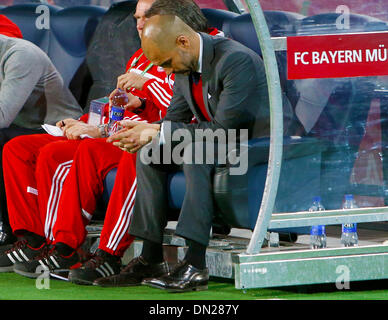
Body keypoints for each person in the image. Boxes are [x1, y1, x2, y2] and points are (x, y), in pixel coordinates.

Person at [0, 0, 220, 285]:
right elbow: (117, 106)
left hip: (166, 139)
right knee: (19, 148)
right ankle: (31, 240)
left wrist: (141, 96)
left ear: (172, 19)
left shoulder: (203, 50)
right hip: (119, 132)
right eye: (137, 17)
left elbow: (186, 111)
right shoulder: (141, 56)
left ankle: (91, 251)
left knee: (78, 153)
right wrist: (89, 123)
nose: (139, 24)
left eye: (147, 17)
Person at [94, 14, 273, 292]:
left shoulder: (236, 60)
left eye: (166, 63)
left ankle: (195, 263)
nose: (166, 71)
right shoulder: (182, 65)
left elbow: (225, 129)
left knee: (195, 153)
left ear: (183, 41)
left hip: (254, 143)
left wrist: (159, 132)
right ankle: (151, 257)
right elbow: (174, 119)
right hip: (215, 139)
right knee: (150, 152)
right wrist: (142, 130)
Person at [0, 18, 83, 246]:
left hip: (60, 130)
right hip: (20, 128)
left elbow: (2, 116)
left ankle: (9, 230)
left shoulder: (21, 55)